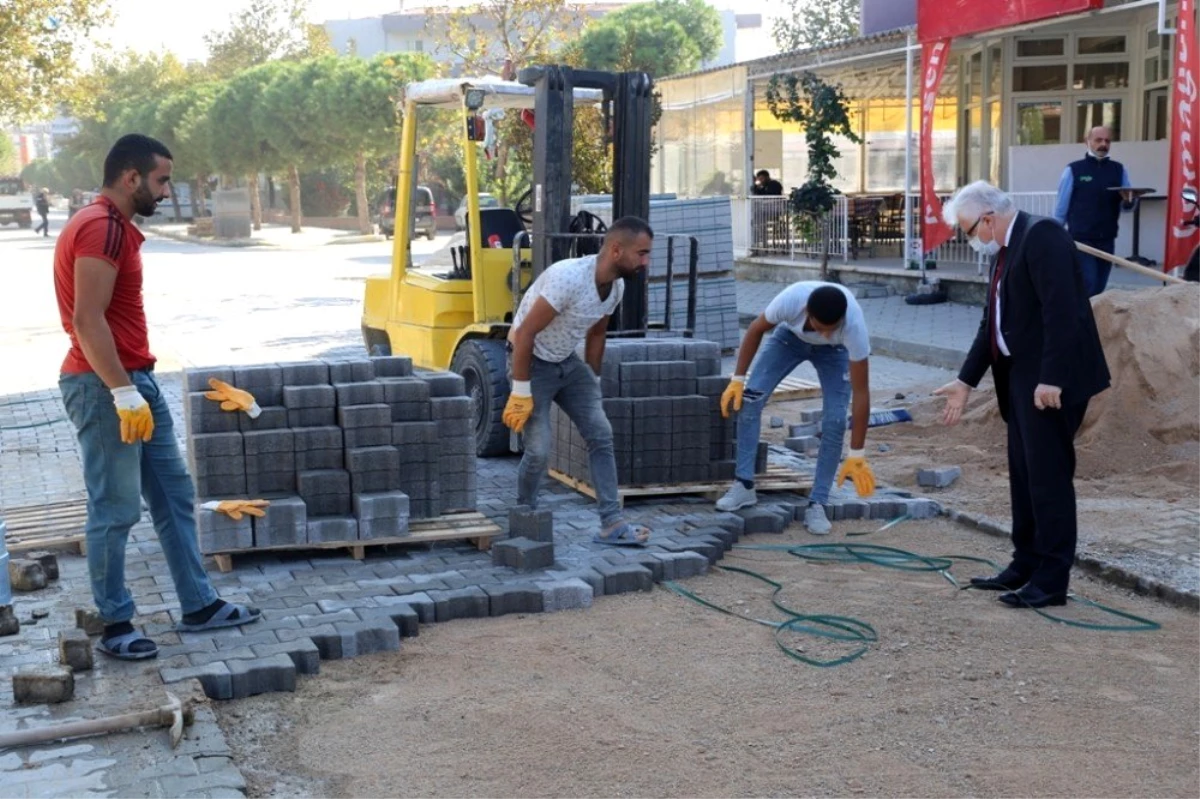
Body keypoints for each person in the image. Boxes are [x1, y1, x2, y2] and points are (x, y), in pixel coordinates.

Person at [53, 134, 261, 661]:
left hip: (134, 381)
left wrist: (135, 387)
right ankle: (116, 623)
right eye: (162, 180)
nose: (167, 191)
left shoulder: (115, 227)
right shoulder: (99, 226)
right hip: (105, 386)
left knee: (172, 495)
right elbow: (86, 319)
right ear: (131, 178)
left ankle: (198, 603)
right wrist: (123, 393)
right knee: (116, 508)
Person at [934, 181, 1110, 609]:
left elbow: (1063, 311)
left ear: (989, 218)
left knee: (1048, 479)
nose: (970, 239)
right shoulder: (1007, 248)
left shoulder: (1042, 235)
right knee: (1023, 475)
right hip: (1019, 378)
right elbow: (990, 323)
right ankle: (1025, 561)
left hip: (1049, 382)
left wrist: (1052, 378)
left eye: (969, 230)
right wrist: (965, 380)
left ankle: (1051, 580)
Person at [503, 216, 656, 546]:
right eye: (641, 253)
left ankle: (612, 524)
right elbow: (525, 333)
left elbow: (597, 334)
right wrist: (520, 390)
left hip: (566, 364)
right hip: (531, 360)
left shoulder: (616, 286)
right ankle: (525, 513)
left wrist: (593, 382)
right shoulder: (568, 278)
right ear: (616, 250)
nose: (646, 262)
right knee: (540, 449)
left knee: (600, 433)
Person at [714, 282, 877, 534]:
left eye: (830, 330)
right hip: (789, 340)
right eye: (820, 329)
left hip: (836, 354)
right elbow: (756, 330)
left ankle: (818, 502)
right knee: (750, 398)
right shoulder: (791, 300)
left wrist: (857, 453)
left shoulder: (853, 327)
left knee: (835, 420)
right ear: (807, 313)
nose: (823, 335)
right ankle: (744, 485)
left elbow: (862, 392)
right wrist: (737, 379)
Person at [1053, 126, 1135, 296]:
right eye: (1098, 140)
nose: (1103, 144)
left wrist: (1129, 202)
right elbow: (1061, 207)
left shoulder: (1119, 169)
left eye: (1107, 140)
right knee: (1088, 283)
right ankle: (1081, 320)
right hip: (1081, 240)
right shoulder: (1073, 170)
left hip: (1107, 238)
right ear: (1087, 142)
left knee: (1099, 286)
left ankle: (1089, 319)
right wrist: (1054, 233)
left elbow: (1127, 203)